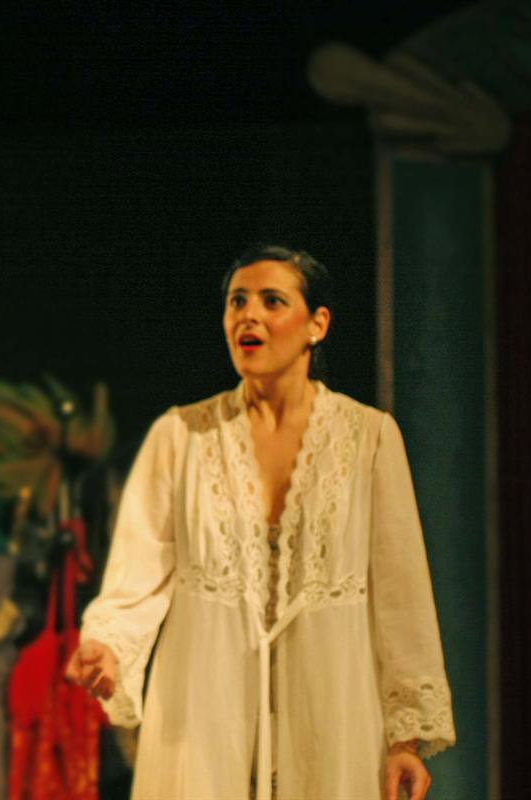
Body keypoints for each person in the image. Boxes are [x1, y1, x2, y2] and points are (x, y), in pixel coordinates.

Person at [66, 245, 455, 800]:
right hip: (204, 712)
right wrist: (108, 644)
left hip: (330, 712)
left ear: (317, 324)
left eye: (272, 301)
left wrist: (405, 741)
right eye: (237, 302)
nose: (249, 315)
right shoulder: (180, 437)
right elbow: (137, 574)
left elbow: (401, 595)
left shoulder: (369, 438)